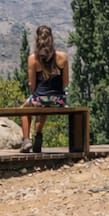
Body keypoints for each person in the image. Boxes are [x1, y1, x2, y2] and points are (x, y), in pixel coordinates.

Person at [20, 25, 69, 153]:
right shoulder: (63, 57)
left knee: (24, 110)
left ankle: (26, 140)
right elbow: (65, 82)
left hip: (40, 98)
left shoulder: (33, 59)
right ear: (51, 39)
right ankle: (39, 133)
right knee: (46, 105)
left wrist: (36, 95)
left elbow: (32, 85)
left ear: (37, 39)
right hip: (59, 100)